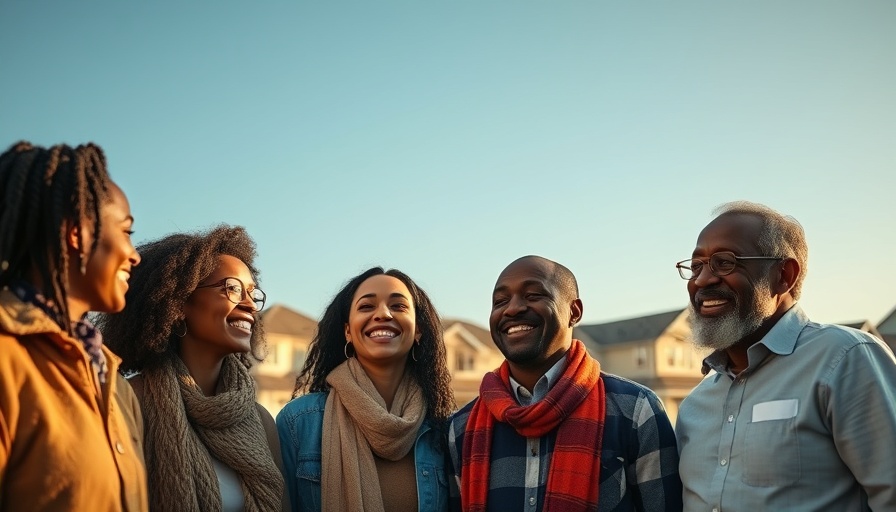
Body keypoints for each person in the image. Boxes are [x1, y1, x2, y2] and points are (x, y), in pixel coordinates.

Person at [674, 201, 896, 511]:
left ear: (784, 275)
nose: (701, 280)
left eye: (725, 263)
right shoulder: (695, 405)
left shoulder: (845, 359)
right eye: (696, 266)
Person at [448, 255, 682, 512]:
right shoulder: (461, 428)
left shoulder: (636, 411)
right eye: (500, 301)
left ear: (574, 312)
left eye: (533, 295)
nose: (512, 308)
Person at [95, 225, 287, 512]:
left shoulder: (261, 421)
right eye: (232, 288)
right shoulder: (124, 402)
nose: (249, 305)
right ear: (179, 302)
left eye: (252, 293)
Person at [0, 141, 147, 510]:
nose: (135, 254)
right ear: (78, 234)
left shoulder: (114, 382)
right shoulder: (7, 355)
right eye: (126, 232)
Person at [276, 267, 455, 512]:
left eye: (398, 306)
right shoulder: (298, 423)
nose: (382, 313)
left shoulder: (444, 430)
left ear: (418, 330)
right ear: (348, 331)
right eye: (366, 306)